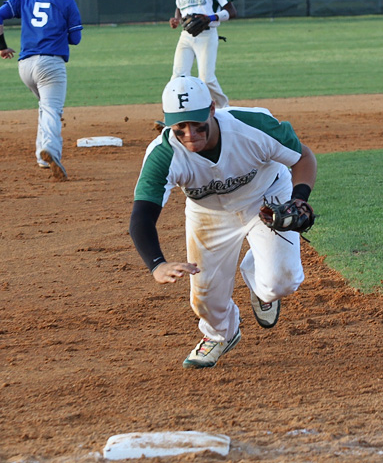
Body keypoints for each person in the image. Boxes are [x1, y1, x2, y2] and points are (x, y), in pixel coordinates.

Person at [129, 75, 317, 369]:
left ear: (212, 109)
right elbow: (142, 215)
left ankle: (259, 280)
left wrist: (299, 197)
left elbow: (303, 157)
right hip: (209, 215)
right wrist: (157, 263)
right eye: (180, 127)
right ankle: (219, 335)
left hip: (266, 199)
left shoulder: (252, 127)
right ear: (168, 124)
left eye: (197, 123)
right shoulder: (164, 154)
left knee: (282, 282)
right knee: (204, 299)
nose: (190, 134)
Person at [0, 0, 83, 181]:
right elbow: (76, 39)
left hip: (25, 66)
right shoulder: (67, 2)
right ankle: (50, 150)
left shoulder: (25, 1)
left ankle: (42, 156)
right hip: (50, 65)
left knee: (44, 106)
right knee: (52, 110)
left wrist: (2, 48)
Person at [169, 0, 237, 109]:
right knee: (178, 76)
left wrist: (210, 18)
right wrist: (176, 20)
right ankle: (175, 112)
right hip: (186, 36)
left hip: (206, 35)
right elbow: (179, 8)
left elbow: (232, 12)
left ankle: (224, 109)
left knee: (206, 79)